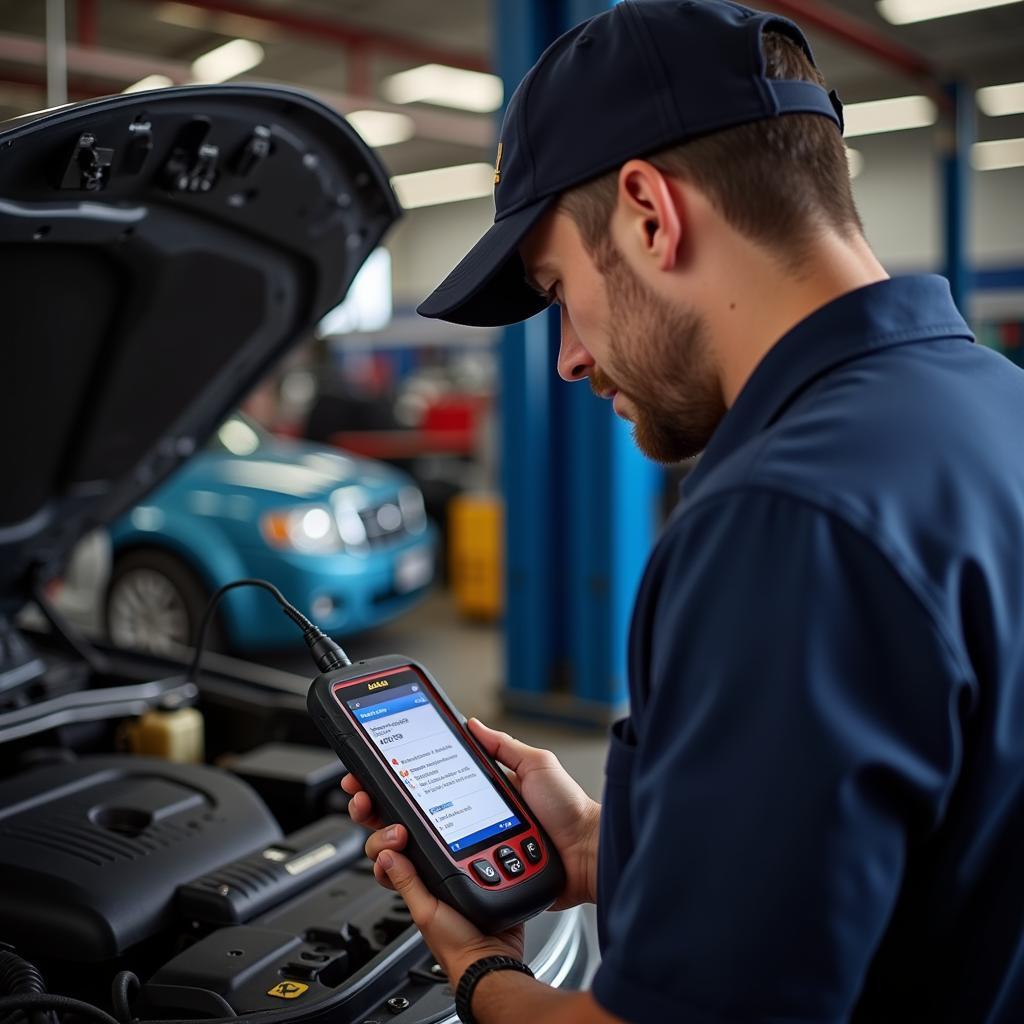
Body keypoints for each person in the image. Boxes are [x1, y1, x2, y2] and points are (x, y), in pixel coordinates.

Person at [342, 2, 1024, 1021]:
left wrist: (481, 971)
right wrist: (600, 845)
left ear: (651, 213)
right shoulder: (993, 404)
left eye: (558, 288)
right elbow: (924, 856)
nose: (568, 356)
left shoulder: (783, 519)